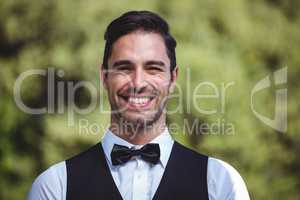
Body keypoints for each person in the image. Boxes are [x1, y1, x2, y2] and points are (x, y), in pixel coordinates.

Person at [28, 10, 250, 200]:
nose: (138, 83)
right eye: (124, 68)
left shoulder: (221, 183)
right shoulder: (55, 186)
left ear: (173, 79)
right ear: (104, 77)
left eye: (153, 68)